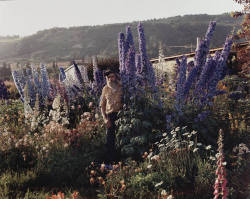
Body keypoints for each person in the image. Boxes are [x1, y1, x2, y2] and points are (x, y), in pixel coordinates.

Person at [99, 69, 123, 163]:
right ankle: (111, 162)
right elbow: (102, 106)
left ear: (116, 77)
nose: (111, 79)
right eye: (109, 77)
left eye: (112, 76)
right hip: (110, 116)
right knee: (110, 140)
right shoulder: (105, 89)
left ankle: (123, 160)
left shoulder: (122, 87)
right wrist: (105, 119)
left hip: (122, 115)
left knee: (121, 138)